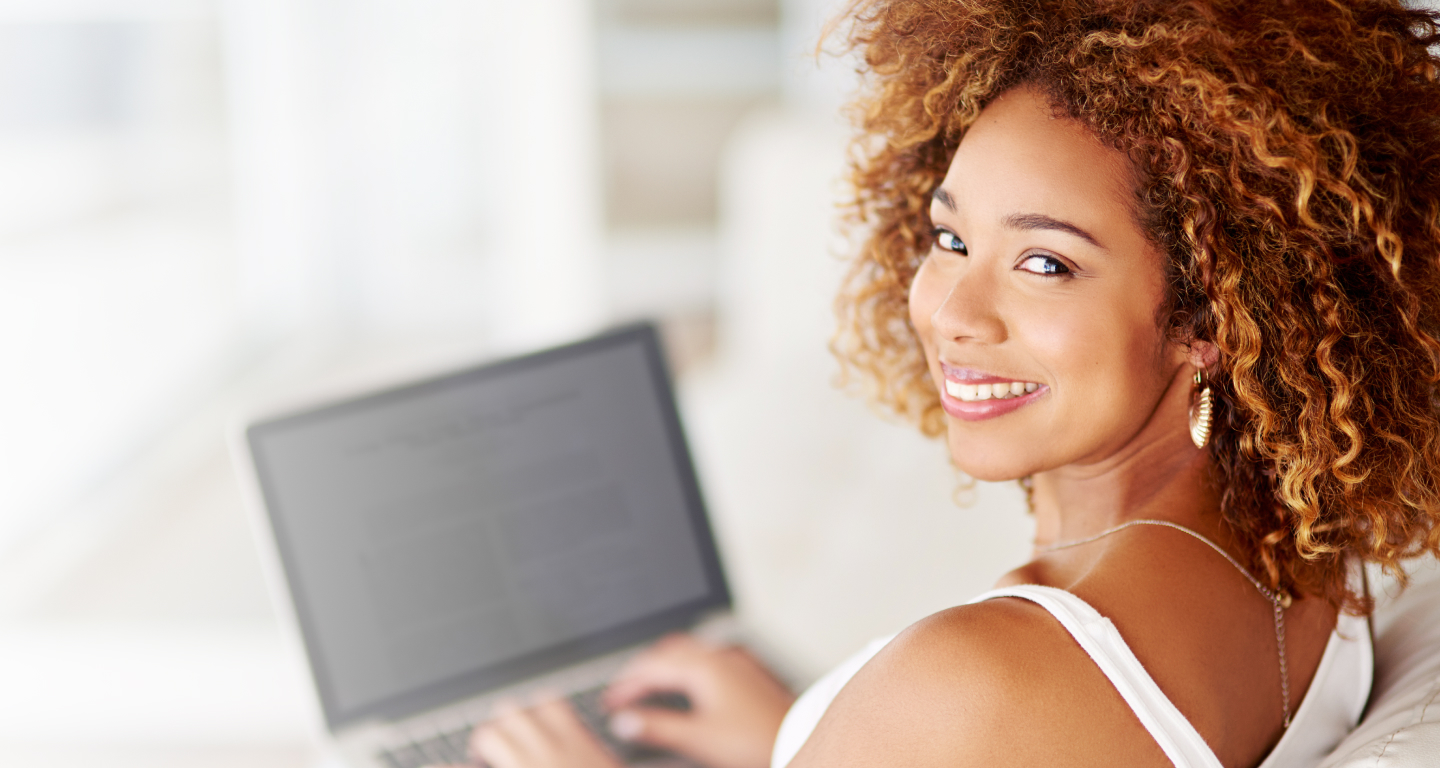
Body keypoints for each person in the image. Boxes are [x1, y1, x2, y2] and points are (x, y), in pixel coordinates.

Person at [436, 1, 1440, 766]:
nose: (954, 310)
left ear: (1215, 318)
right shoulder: (1302, 553)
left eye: (1046, 262)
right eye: (951, 237)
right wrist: (797, 735)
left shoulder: (973, 678)